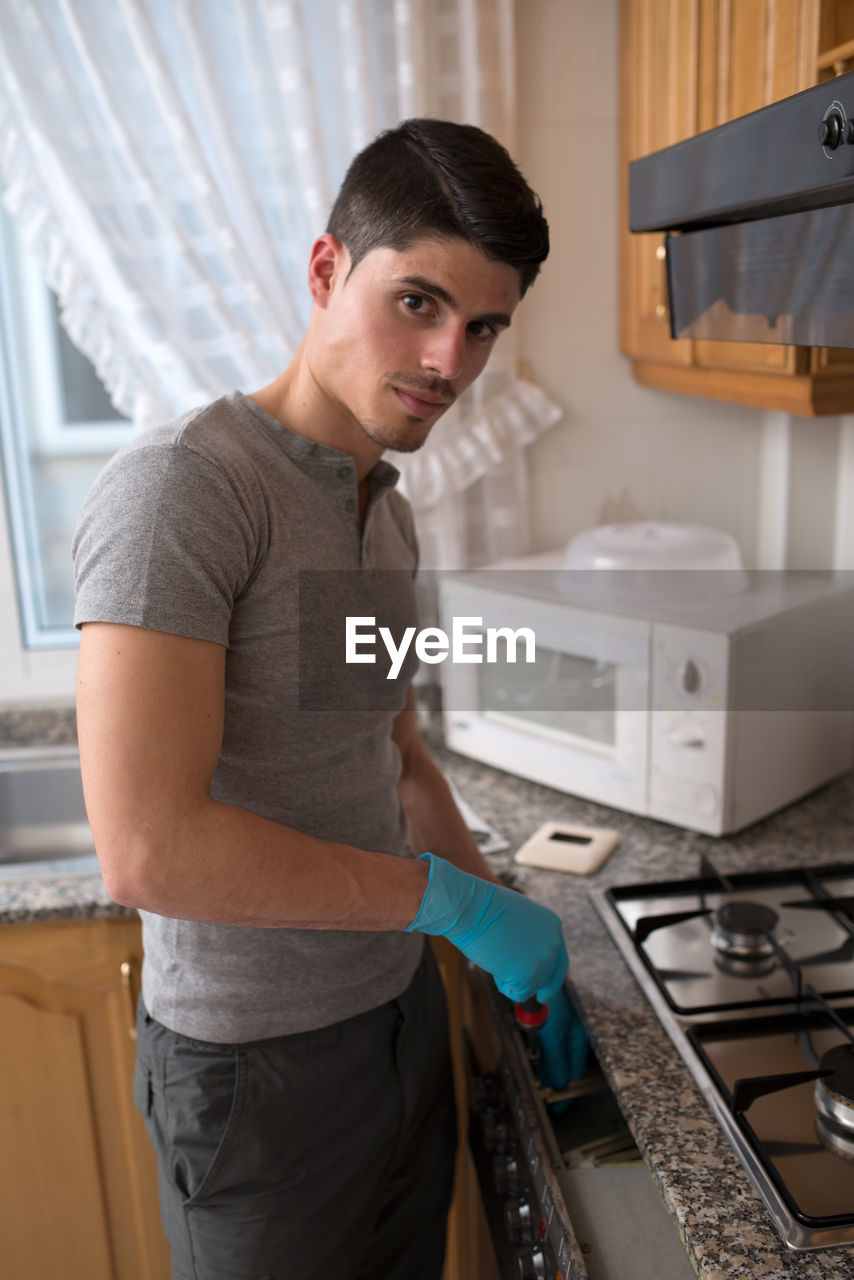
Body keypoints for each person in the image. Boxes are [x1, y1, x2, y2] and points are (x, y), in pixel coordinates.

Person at [73, 118, 578, 1280]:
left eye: (483, 326)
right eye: (417, 302)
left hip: (398, 1023)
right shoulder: (182, 491)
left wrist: (504, 935)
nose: (449, 359)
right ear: (323, 271)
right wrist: (453, 907)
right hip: (255, 1074)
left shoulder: (383, 511)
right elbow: (149, 849)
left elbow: (393, 760)